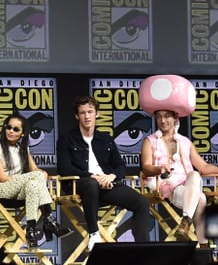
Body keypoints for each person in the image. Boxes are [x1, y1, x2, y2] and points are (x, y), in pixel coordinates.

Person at [57, 95, 154, 251]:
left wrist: (111, 176)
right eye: (82, 113)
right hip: (80, 185)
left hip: (107, 185)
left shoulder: (106, 139)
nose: (87, 116)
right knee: (91, 184)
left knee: (142, 202)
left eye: (90, 112)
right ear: (77, 116)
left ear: (97, 114)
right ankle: (94, 234)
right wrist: (92, 176)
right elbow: (64, 169)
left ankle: (143, 249)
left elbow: (120, 166)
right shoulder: (66, 139)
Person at [140, 109, 218, 243]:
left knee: (194, 174)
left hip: (189, 185)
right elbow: (146, 168)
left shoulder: (185, 142)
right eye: (158, 117)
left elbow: (203, 167)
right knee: (201, 198)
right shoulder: (150, 141)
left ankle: (185, 221)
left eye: (167, 116)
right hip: (170, 187)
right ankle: (204, 247)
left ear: (175, 117)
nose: (162, 121)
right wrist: (160, 168)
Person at [0, 113, 68, 248]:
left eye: (16, 129)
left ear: (23, 133)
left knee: (33, 182)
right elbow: (2, 177)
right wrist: (34, 176)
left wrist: (44, 174)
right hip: (0, 189)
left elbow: (35, 170)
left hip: (19, 190)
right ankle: (49, 220)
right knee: (34, 178)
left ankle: (30, 229)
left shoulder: (23, 148)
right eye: (8, 127)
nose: (11, 131)